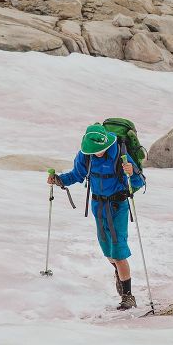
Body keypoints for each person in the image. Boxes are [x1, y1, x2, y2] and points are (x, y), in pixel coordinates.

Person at [48, 124, 145, 310]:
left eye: (100, 150)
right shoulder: (85, 155)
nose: (98, 153)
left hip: (118, 205)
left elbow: (139, 182)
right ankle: (118, 271)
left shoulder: (120, 153)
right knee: (107, 251)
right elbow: (76, 175)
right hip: (98, 205)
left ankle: (128, 295)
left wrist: (131, 173)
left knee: (118, 250)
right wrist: (58, 180)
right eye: (95, 151)